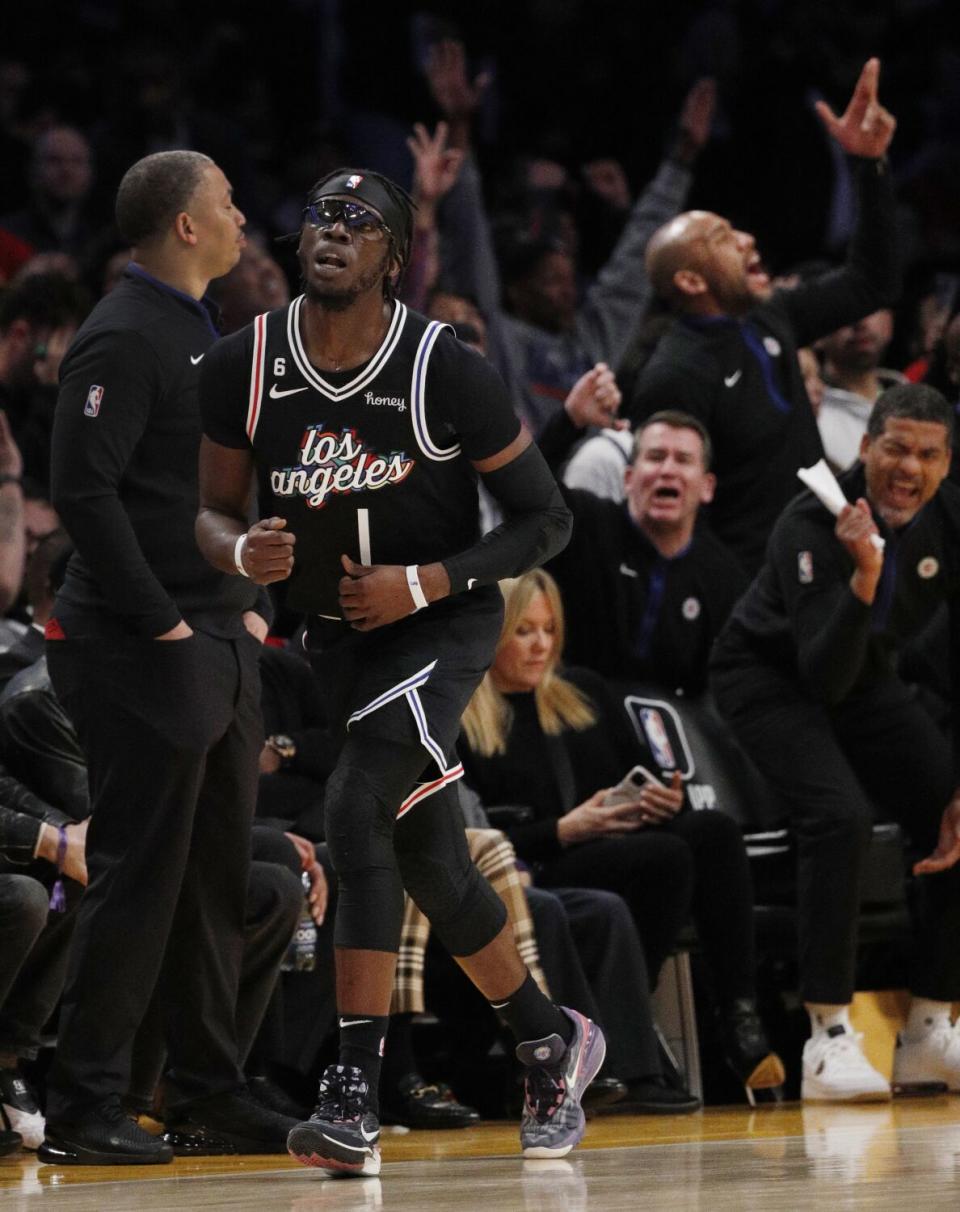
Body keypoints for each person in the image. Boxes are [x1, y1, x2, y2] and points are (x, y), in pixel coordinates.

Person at [196, 166, 603, 1175]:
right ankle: (551, 1040)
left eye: (359, 220)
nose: (332, 230)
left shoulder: (443, 366)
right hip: (334, 638)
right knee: (428, 856)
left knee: (355, 804)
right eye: (319, 216)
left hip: (441, 622)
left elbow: (547, 519)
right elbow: (207, 513)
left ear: (396, 254)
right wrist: (240, 554)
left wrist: (422, 583)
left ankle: (352, 1098)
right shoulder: (242, 365)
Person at [40, 149, 299, 1165]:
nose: (243, 216)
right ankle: (83, 1104)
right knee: (139, 875)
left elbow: (217, 490)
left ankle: (208, 1087)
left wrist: (255, 606)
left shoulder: (204, 331)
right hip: (144, 647)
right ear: (186, 226)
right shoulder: (118, 336)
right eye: (228, 203)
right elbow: (84, 494)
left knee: (215, 879)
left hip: (218, 638)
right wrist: (164, 623)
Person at [711, 383, 960, 1102]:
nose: (908, 468)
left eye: (927, 454)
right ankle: (827, 1036)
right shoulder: (811, 520)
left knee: (950, 807)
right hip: (769, 677)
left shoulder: (950, 521)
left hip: (867, 672)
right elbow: (823, 675)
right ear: (864, 446)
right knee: (838, 815)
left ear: (946, 464)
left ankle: (930, 1029)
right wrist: (867, 577)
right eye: (895, 448)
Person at [460, 570, 783, 1103]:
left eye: (548, 629)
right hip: (535, 864)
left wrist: (662, 801)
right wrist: (563, 830)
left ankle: (739, 1012)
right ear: (493, 632)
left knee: (712, 832)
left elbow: (639, 776)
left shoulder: (583, 692)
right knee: (666, 857)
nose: (541, 644)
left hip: (613, 847)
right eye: (523, 631)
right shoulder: (468, 718)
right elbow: (473, 834)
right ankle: (627, 1021)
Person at [626, 59, 899, 573]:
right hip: (750, 587)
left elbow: (875, 282)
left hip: (825, 558)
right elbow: (672, 515)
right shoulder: (675, 375)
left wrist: (871, 166)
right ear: (690, 281)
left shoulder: (772, 314)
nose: (748, 240)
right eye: (723, 239)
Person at [422, 37, 715, 434]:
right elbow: (468, 232)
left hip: (582, 493)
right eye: (549, 281)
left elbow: (635, 263)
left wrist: (681, 160)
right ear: (517, 291)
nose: (565, 291)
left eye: (566, 278)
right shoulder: (498, 338)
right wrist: (458, 126)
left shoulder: (592, 343)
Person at [546, 411, 745, 694]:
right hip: (570, 711)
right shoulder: (585, 524)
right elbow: (525, 489)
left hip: (672, 729)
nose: (667, 470)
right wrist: (568, 420)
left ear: (707, 487)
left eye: (683, 460)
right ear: (628, 478)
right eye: (655, 456)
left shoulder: (723, 577)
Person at [817, 308, 904, 471]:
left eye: (871, 308)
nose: (860, 323)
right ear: (815, 332)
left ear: (888, 323)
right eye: (844, 307)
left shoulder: (917, 399)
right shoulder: (810, 415)